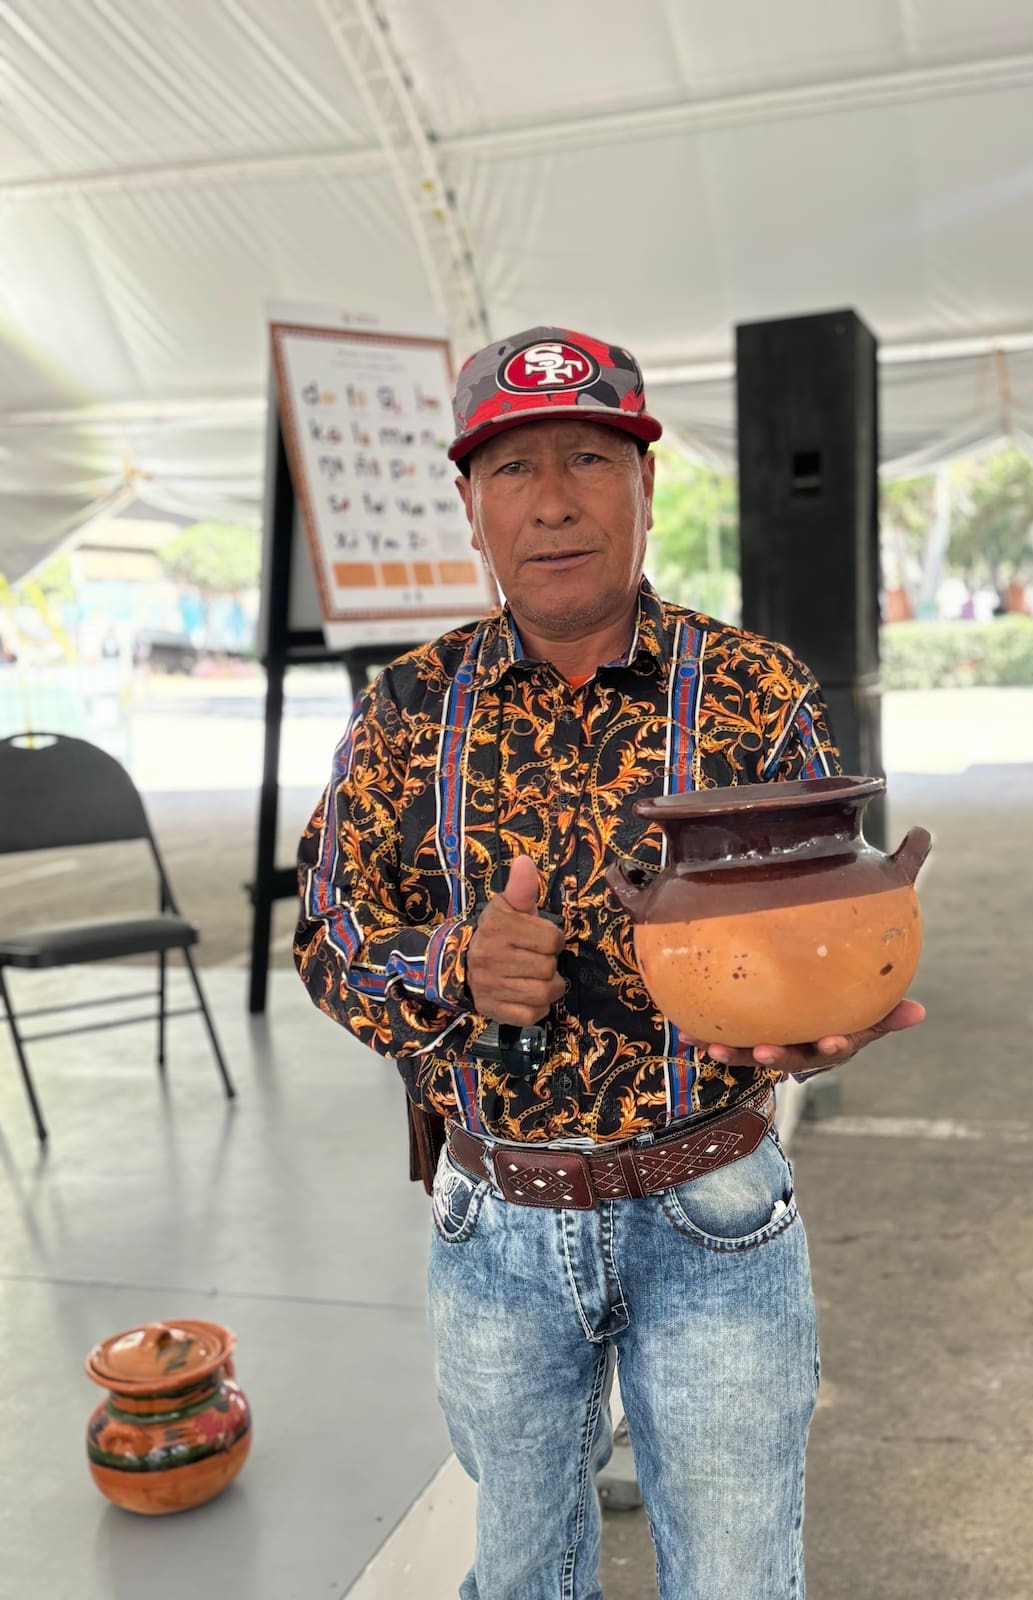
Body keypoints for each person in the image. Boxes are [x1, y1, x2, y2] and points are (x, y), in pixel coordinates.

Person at [294, 326, 925, 1600]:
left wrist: (824, 1007)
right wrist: (449, 965)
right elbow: (325, 929)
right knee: (524, 1574)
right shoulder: (412, 708)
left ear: (645, 483)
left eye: (589, 455)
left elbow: (827, 901)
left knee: (742, 1576)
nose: (554, 499)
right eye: (513, 469)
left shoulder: (750, 688)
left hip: (717, 1210)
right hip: (496, 1224)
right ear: (471, 508)